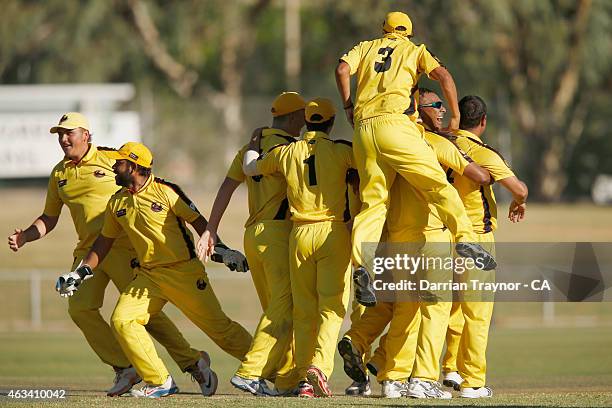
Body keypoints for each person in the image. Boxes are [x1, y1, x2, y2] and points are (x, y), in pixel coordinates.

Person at [8, 113, 213, 396]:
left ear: (87, 135)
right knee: (79, 308)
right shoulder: (59, 173)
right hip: (88, 252)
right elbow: (49, 217)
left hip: (122, 248)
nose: (63, 139)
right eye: (59, 134)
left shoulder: (110, 158)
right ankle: (125, 366)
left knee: (144, 317)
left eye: (69, 133)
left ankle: (193, 363)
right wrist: (26, 236)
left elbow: (144, 175)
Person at [58, 141, 253, 398]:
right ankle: (160, 381)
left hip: (184, 272)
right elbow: (103, 243)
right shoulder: (117, 202)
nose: (114, 166)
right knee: (122, 320)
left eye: (119, 163)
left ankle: (280, 373)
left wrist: (223, 252)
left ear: (134, 167)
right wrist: (81, 272)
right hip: (149, 276)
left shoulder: (166, 191)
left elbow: (201, 225)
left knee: (222, 332)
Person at [337, 90, 491, 399]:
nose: (442, 111)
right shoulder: (433, 143)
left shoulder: (387, 147)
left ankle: (393, 379)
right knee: (436, 308)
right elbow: (480, 176)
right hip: (431, 235)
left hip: (396, 238)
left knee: (405, 309)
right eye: (435, 106)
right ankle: (422, 378)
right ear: (417, 113)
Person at [335, 11, 496, 307]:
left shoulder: (365, 47)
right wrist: (456, 115)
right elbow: (444, 76)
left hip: (364, 129)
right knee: (437, 185)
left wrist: (348, 106)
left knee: (373, 204)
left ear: (383, 29)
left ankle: (362, 268)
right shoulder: (415, 50)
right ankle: (465, 238)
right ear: (408, 33)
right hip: (396, 125)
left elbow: (343, 69)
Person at [243, 98, 355, 398]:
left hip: (299, 234)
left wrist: (254, 140)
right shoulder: (343, 150)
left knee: (304, 311)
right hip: (333, 233)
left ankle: (305, 379)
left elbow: (251, 168)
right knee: (331, 309)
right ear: (331, 124)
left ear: (305, 123)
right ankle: (319, 366)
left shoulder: (286, 152)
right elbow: (370, 164)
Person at [197, 92, 306, 395]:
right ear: (295, 117)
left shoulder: (251, 147)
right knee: (284, 307)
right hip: (279, 234)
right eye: (303, 115)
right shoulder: (293, 149)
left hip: (253, 236)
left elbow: (227, 188)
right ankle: (251, 372)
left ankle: (286, 381)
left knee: (278, 311)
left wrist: (210, 230)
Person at [439, 95, 528, 398]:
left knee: (451, 308)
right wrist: (520, 202)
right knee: (477, 313)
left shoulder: (439, 144)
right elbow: (519, 188)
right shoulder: (481, 151)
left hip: (443, 235)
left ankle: (450, 367)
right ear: (484, 122)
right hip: (476, 238)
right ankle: (473, 382)